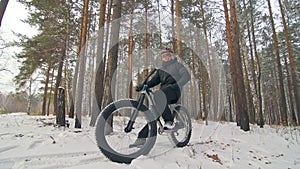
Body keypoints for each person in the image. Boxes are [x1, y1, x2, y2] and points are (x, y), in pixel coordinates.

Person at [129, 47, 191, 148]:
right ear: (162, 58)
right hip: (162, 94)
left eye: (168, 55)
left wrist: (176, 85)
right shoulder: (160, 70)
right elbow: (153, 82)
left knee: (158, 94)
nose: (166, 57)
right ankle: (141, 138)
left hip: (174, 91)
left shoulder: (178, 65)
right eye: (164, 56)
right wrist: (142, 85)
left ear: (172, 56)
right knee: (154, 113)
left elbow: (186, 76)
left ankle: (169, 121)